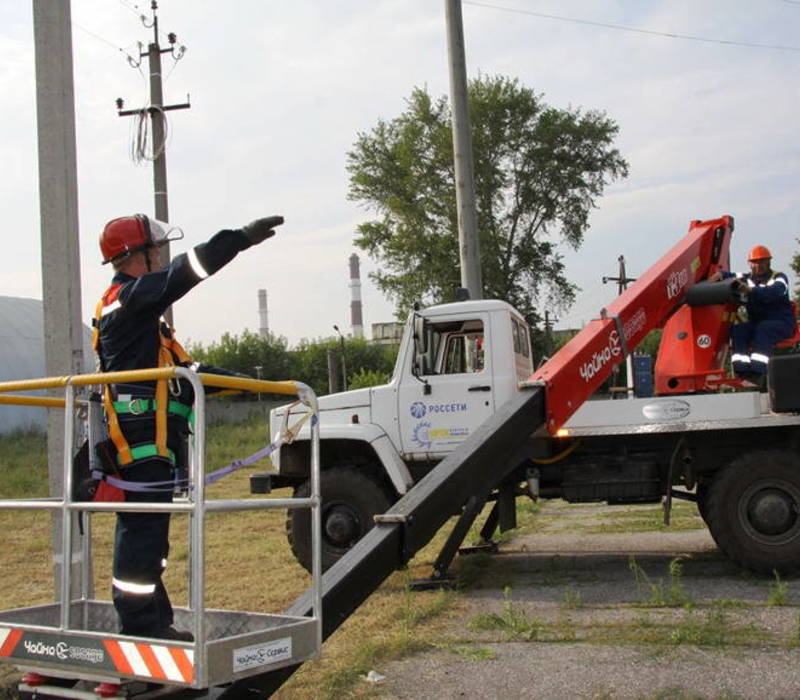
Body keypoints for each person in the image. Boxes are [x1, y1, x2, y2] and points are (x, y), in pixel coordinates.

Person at [93, 213, 283, 640]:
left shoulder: (145, 318)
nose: (161, 256)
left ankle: (157, 627)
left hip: (154, 447)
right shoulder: (127, 300)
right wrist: (234, 239)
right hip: (139, 447)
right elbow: (185, 273)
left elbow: (187, 372)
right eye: (154, 249)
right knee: (142, 540)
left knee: (150, 544)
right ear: (133, 255)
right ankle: (142, 634)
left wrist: (251, 385)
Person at [710, 245, 795, 385]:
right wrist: (719, 275)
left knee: (763, 329)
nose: (758, 265)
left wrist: (750, 291)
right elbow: (731, 276)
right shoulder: (747, 278)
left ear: (769, 262)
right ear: (750, 264)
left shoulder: (779, 278)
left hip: (782, 323)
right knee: (738, 330)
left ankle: (757, 372)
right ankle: (742, 371)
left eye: (762, 261)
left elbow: (773, 293)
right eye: (755, 262)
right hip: (758, 324)